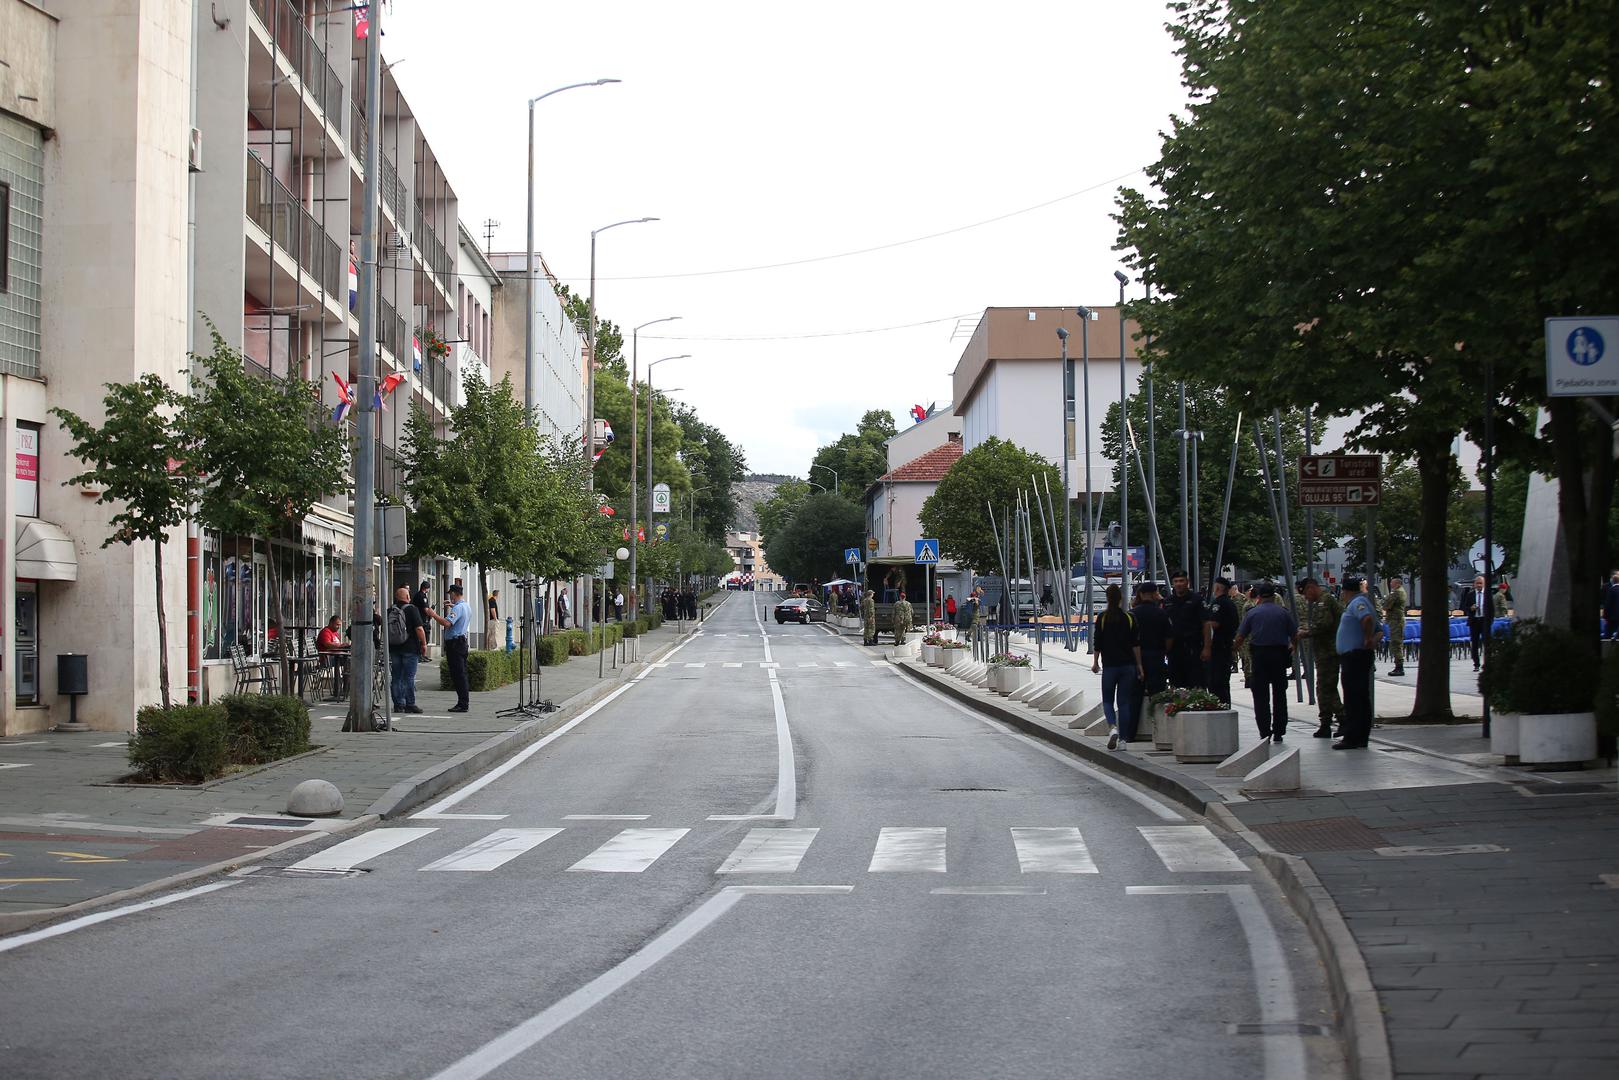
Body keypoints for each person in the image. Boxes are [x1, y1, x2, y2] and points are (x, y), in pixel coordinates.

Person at [1233, 582, 1298, 742]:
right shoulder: (1283, 612)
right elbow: (1294, 635)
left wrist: (1233, 650)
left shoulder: (1252, 613)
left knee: (1260, 695)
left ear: (1259, 596)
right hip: (1279, 656)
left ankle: (1264, 731)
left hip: (1260, 656)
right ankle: (1279, 730)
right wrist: (1293, 647)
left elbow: (1240, 636)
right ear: (1274, 596)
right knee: (1279, 694)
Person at [1091, 585, 1144, 751]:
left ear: (1107, 598)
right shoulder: (1129, 617)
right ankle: (1123, 740)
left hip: (1110, 667)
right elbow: (1136, 644)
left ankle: (1113, 727)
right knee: (1124, 703)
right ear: (1121, 598)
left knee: (1108, 701)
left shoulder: (1102, 618)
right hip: (1128, 666)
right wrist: (1139, 666)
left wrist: (1095, 662)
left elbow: (1097, 642)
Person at [1335, 575, 1379, 749]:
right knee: (1360, 697)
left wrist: (1367, 639)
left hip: (1355, 656)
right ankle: (1360, 736)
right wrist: (1371, 640)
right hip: (1357, 656)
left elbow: (1367, 619)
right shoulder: (1362, 602)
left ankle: (1352, 737)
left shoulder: (1357, 603)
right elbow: (1379, 629)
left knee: (1353, 698)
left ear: (1346, 591)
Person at [1299, 577, 1345, 738]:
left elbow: (1323, 625)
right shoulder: (1321, 601)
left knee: (1327, 688)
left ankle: (1342, 719)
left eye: (1306, 593)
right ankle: (1327, 722)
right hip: (1324, 652)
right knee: (1324, 688)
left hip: (1329, 652)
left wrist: (1306, 632)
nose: (1306, 598)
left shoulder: (1324, 601)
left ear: (1311, 588)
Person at [1130, 581, 1172, 726]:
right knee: (1158, 696)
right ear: (1155, 594)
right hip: (1156, 656)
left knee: (1135, 696)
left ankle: (1130, 732)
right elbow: (1169, 637)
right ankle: (1159, 727)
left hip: (1136, 659)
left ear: (1141, 595)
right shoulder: (1161, 613)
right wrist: (1164, 651)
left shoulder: (1132, 614)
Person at [427, 583, 472, 712]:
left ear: (454, 594)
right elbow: (460, 614)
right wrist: (452, 606)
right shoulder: (466, 606)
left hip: (455, 644)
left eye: (450, 594)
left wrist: (433, 614)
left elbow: (447, 623)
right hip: (461, 643)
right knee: (461, 673)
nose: (450, 597)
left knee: (458, 674)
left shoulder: (458, 608)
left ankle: (463, 704)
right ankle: (463, 702)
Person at [1165, 571, 1210, 688]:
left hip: (1193, 647)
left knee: (1196, 683)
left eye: (1181, 581)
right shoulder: (1168, 601)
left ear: (1187, 582)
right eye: (1176, 581)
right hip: (1175, 649)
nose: (1178, 584)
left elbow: (1206, 624)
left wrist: (1207, 647)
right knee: (1175, 684)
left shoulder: (1197, 600)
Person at [387, 586, 427, 715]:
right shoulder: (412, 609)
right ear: (408, 597)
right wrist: (424, 644)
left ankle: (398, 704)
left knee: (396, 677)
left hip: (394, 648)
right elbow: (419, 629)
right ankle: (410, 704)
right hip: (410, 648)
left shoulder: (390, 611)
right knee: (409, 677)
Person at [1206, 577, 1240, 706]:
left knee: (1216, 682)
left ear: (1217, 588)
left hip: (1218, 647)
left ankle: (1220, 706)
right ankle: (1224, 705)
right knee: (1222, 682)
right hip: (1226, 645)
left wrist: (1202, 626)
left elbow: (1213, 624)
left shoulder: (1219, 604)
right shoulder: (1230, 603)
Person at [1459, 574, 1491, 672]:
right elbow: (1464, 607)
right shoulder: (1470, 595)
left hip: (1484, 621)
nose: (1479, 585)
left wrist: (1489, 621)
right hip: (1474, 621)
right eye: (1477, 583)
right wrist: (1470, 608)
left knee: (1486, 643)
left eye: (1481, 583)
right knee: (1475, 644)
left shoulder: (1488, 594)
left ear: (1484, 584)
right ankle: (1476, 664)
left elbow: (1492, 609)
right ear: (1474, 584)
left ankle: (1487, 663)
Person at [1382, 576, 1408, 676]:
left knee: (1396, 644)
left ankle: (1399, 667)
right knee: (1397, 643)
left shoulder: (1397, 593)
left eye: (1392, 583)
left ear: (1397, 583)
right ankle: (1398, 666)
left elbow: (1386, 606)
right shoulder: (1401, 591)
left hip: (1396, 621)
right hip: (1397, 620)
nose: (1390, 584)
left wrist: (1386, 600)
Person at [1604, 573, 1619, 639]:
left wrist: (1605, 616)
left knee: (1607, 635)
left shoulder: (1611, 590)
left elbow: (1608, 604)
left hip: (1612, 617)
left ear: (1612, 581)